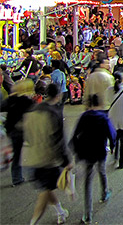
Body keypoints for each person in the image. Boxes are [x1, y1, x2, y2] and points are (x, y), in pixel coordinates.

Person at [23, 83, 72, 225]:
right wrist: (66, 161)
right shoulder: (55, 113)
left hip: (31, 155)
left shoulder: (34, 109)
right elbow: (59, 140)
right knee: (45, 190)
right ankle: (34, 221)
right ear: (58, 95)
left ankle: (60, 212)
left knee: (47, 187)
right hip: (47, 158)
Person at [70, 92, 116, 225]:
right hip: (100, 151)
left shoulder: (84, 116)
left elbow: (75, 134)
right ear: (100, 103)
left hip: (87, 152)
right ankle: (104, 192)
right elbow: (111, 134)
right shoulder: (103, 118)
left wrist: (76, 151)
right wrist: (112, 146)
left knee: (88, 181)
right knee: (102, 171)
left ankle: (87, 214)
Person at [1, 79, 35, 186]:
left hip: (12, 131)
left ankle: (16, 178)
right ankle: (34, 174)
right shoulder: (28, 101)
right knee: (32, 152)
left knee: (17, 154)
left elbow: (1, 107)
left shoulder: (11, 100)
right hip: (26, 130)